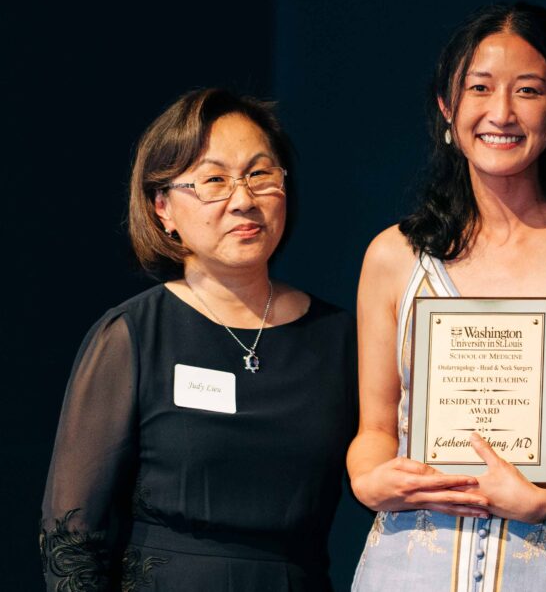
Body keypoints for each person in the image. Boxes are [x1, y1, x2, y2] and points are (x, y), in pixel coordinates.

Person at [348, 2, 546, 590]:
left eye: (529, 91)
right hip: (406, 566)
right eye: (479, 88)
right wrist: (366, 478)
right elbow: (376, 428)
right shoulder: (395, 255)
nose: (502, 113)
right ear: (447, 106)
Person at [39, 89, 357, 591]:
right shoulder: (133, 335)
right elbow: (72, 535)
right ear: (163, 208)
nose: (244, 200)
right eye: (214, 180)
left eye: (260, 174)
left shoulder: (339, 337)